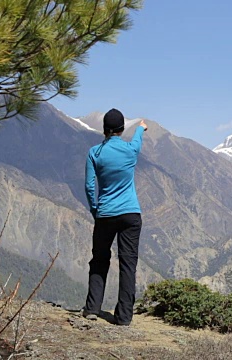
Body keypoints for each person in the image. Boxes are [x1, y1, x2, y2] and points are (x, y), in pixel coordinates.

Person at [82, 108, 147, 326]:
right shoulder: (130, 151)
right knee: (128, 264)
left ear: (104, 130)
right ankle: (124, 317)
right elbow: (138, 139)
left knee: (100, 260)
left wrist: (95, 209)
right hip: (130, 214)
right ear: (121, 129)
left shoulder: (95, 153)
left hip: (105, 214)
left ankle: (92, 308)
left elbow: (89, 186)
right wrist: (140, 128)